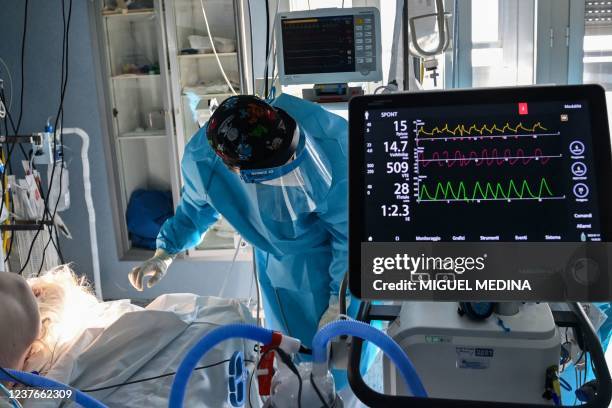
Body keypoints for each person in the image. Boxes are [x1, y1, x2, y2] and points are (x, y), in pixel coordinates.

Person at [127, 94, 371, 387]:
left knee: (346, 363)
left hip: (341, 262)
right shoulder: (204, 162)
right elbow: (194, 211)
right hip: (278, 268)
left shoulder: (332, 144)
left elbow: (352, 238)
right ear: (236, 170)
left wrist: (340, 305)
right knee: (295, 360)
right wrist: (166, 250)